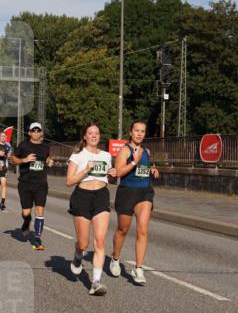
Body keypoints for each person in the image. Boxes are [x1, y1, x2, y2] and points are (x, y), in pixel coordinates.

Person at [65, 123, 115, 296]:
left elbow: (108, 176)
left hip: (101, 196)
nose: (94, 136)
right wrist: (86, 170)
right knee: (84, 243)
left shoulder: (106, 155)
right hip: (82, 197)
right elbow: (69, 181)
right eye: (90, 133)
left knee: (100, 241)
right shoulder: (77, 155)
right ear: (84, 137)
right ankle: (78, 255)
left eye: (97, 133)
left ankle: (96, 282)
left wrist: (113, 173)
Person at [109, 120, 160, 285]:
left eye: (143, 131)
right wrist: (133, 161)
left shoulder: (147, 151)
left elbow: (144, 171)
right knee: (122, 229)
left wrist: (153, 172)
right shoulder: (125, 150)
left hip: (144, 192)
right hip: (127, 192)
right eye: (136, 131)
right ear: (130, 132)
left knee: (143, 230)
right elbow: (118, 173)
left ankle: (138, 268)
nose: (139, 134)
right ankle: (115, 258)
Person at [11, 122, 54, 250]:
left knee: (40, 211)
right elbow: (13, 159)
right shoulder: (23, 145)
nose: (36, 133)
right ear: (29, 133)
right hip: (25, 183)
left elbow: (46, 159)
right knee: (26, 212)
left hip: (41, 184)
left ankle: (37, 238)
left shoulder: (46, 147)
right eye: (33, 130)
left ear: (41, 133)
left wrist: (50, 161)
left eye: (38, 130)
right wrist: (24, 160)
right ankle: (26, 221)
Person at [0, 130, 12, 211]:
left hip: (3, 167)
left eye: (4, 136)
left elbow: (9, 154)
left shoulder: (8, 145)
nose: (3, 138)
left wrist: (8, 155)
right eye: (1, 136)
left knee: (3, 184)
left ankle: (2, 202)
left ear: (6, 138)